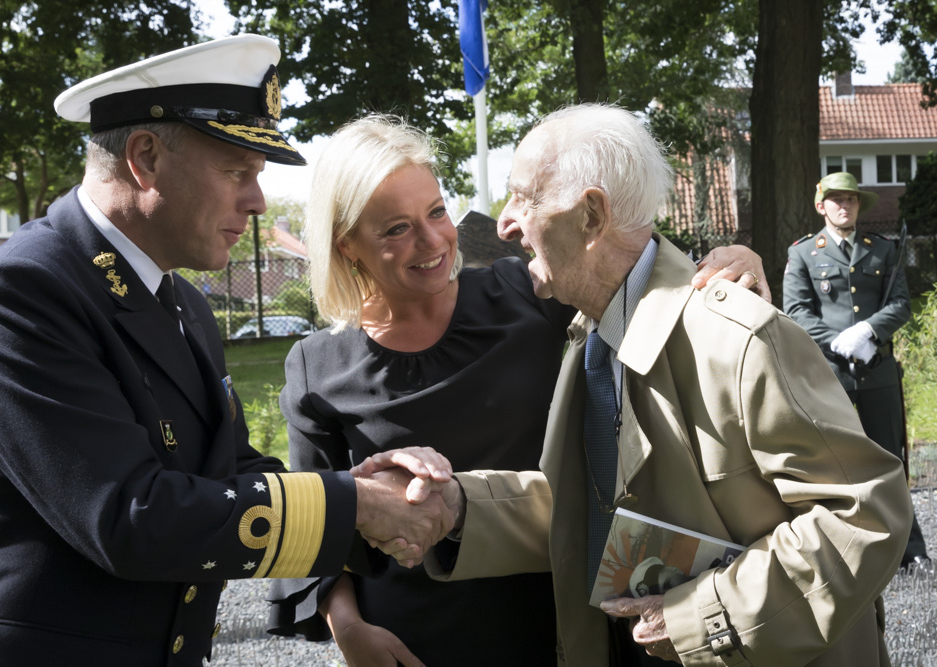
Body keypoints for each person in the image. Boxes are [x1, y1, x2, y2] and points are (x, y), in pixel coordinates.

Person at [0, 35, 453, 666]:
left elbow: (230, 473)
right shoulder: (16, 294)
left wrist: (364, 490)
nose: (258, 202)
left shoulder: (181, 303)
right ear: (146, 157)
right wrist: (356, 508)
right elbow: (131, 516)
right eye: (237, 171)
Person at [389, 104, 912, 666]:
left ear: (592, 215)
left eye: (525, 197)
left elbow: (865, 516)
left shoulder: (736, 339)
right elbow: (594, 510)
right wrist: (459, 507)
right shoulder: (590, 336)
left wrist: (699, 619)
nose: (504, 223)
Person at [264, 114, 770, 667]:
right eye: (396, 229)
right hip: (414, 637)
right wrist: (350, 629)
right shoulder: (317, 366)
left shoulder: (525, 293)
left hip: (558, 615)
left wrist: (734, 262)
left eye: (436, 212)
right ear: (347, 246)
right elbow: (314, 522)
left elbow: (638, 281)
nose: (432, 240)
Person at [782, 171, 930, 571]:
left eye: (850, 199)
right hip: (829, 375)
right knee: (836, 465)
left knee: (890, 460)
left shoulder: (883, 250)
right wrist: (838, 339)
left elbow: (900, 304)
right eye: (836, 200)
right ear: (821, 206)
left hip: (878, 372)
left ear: (859, 205)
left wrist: (868, 330)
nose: (844, 206)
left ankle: (910, 550)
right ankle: (844, 552)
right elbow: (795, 313)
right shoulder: (803, 254)